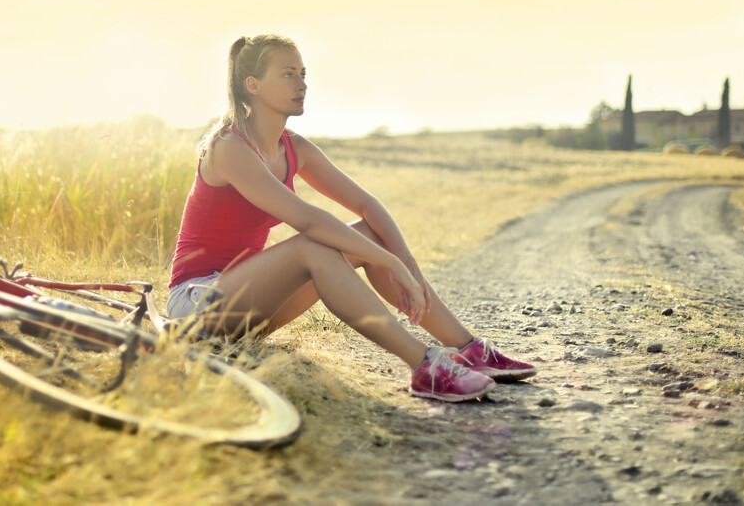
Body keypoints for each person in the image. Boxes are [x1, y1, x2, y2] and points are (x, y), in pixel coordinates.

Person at [167, 34, 536, 402]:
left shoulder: (294, 148)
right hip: (195, 304)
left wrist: (404, 262)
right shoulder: (230, 148)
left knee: (369, 235)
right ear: (254, 85)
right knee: (315, 247)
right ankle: (425, 367)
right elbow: (309, 220)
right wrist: (390, 262)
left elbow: (368, 205)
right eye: (288, 75)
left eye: (303, 74)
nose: (302, 84)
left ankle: (468, 349)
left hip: (249, 304)